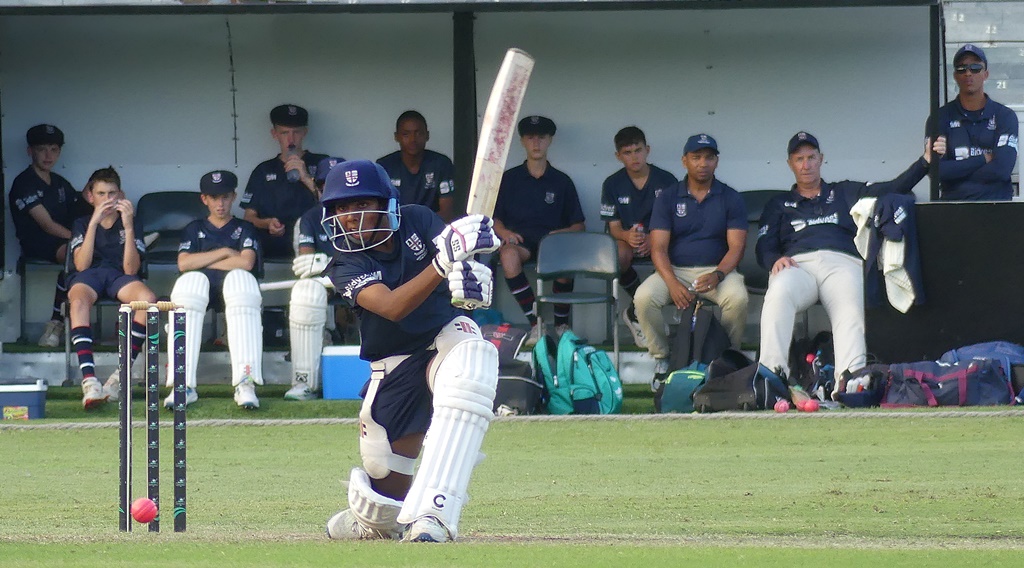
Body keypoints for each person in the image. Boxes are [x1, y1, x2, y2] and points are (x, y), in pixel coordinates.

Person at [320, 159, 500, 543]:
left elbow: (458, 266)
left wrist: (472, 285)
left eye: (358, 204)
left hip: (446, 337)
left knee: (475, 360)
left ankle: (436, 511)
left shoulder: (418, 219)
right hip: (394, 363)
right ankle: (369, 521)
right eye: (340, 208)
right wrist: (443, 263)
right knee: (384, 487)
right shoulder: (345, 263)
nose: (348, 217)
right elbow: (392, 307)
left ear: (388, 203)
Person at [757, 131, 934, 394]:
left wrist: (925, 162)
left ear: (821, 159)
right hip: (797, 265)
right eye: (799, 159)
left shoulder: (844, 191)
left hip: (841, 262)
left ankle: (850, 384)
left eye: (811, 158)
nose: (806, 165)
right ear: (790, 164)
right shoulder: (778, 203)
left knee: (849, 309)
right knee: (778, 293)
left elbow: (891, 188)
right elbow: (763, 245)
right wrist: (774, 260)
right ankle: (771, 380)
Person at [633, 134, 749, 383]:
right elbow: (658, 249)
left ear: (716, 162)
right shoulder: (668, 197)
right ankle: (662, 358)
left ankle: (726, 358)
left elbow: (737, 247)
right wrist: (673, 283)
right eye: (696, 157)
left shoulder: (730, 197)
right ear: (684, 161)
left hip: (718, 271)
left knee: (737, 299)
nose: (702, 163)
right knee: (644, 298)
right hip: (674, 270)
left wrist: (718, 274)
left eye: (708, 157)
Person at [168, 170, 264, 409]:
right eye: (214, 198)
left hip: (233, 293)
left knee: (241, 282)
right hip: (201, 291)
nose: (219, 203)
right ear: (204, 199)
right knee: (189, 285)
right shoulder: (194, 228)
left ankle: (246, 382)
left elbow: (246, 263)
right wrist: (224, 252)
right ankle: (182, 385)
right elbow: (184, 264)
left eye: (224, 197)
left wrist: (203, 260)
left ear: (233, 196)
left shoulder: (245, 228)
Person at [66, 167, 156, 409]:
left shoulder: (132, 222)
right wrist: (94, 223)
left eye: (112, 193)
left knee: (147, 300)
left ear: (121, 195)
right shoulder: (81, 222)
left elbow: (130, 270)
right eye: (101, 193)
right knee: (77, 301)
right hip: (90, 275)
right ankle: (90, 381)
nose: (107, 199)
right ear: (90, 196)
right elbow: (81, 265)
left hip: (118, 276)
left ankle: (119, 377)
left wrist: (128, 227)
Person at [492, 115, 585, 345]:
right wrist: (504, 234)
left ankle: (562, 324)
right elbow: (494, 220)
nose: (536, 143)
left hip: (552, 245)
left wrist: (561, 235)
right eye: (531, 137)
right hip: (520, 241)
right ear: (522, 141)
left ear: (550, 140)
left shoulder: (562, 181)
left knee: (566, 258)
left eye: (541, 137)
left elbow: (579, 225)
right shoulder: (509, 179)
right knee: (508, 256)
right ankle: (537, 324)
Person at [8, 124, 90, 347]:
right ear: (30, 151)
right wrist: (81, 240)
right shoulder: (23, 182)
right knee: (76, 255)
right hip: (37, 243)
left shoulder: (60, 183)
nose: (48, 155)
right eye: (42, 149)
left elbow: (80, 209)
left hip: (64, 241)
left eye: (54, 150)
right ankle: (55, 324)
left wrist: (100, 196)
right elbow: (47, 225)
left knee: (88, 252)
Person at [599, 126, 678, 348]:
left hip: (659, 239)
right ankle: (640, 309)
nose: (634, 157)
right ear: (618, 156)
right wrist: (627, 236)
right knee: (619, 254)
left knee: (669, 252)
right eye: (627, 152)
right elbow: (613, 227)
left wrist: (654, 239)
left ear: (647, 150)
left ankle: (638, 313)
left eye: (638, 150)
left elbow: (676, 222)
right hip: (627, 240)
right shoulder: (612, 183)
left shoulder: (666, 180)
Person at [286, 155, 345, 401]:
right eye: (323, 186)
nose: (328, 192)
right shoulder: (309, 219)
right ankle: (305, 382)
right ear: (317, 187)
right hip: (328, 282)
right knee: (305, 292)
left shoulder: (367, 212)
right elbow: (307, 265)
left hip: (368, 280)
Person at [241, 104, 329, 258]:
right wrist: (267, 223)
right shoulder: (263, 170)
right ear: (274, 134)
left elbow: (338, 205)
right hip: (275, 241)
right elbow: (249, 217)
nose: (291, 139)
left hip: (316, 240)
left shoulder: (323, 163)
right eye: (284, 133)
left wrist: (306, 178)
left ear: (305, 133)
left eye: (296, 132)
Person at [933, 44, 1019, 201]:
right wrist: (984, 159)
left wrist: (957, 172)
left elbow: (1002, 169)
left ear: (985, 74)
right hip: (953, 208)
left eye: (975, 68)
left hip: (996, 208)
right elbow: (938, 171)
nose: (968, 73)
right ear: (955, 75)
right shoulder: (940, 117)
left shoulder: (1005, 116)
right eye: (961, 68)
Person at [377, 110, 456, 222]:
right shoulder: (384, 166)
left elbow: (447, 213)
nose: (413, 139)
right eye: (406, 134)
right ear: (396, 137)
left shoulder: (441, 164)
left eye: (418, 133)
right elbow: (380, 212)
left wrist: (421, 228)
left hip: (432, 230)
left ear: (427, 135)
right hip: (396, 231)